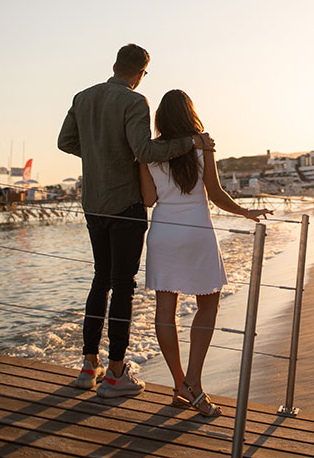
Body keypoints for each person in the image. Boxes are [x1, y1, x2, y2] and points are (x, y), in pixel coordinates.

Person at [57, 44, 214, 398]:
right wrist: (192, 141)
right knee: (123, 286)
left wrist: (99, 151)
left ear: (114, 65)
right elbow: (144, 151)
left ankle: (87, 366)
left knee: (100, 280)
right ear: (142, 73)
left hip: (93, 203)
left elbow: (65, 141)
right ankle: (115, 373)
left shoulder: (82, 97)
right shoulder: (134, 102)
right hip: (125, 204)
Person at [139, 89, 272, 416]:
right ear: (190, 114)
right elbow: (215, 193)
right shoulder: (202, 145)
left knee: (164, 309)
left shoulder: (149, 153)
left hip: (163, 233)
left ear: (160, 118)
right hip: (196, 232)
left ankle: (180, 383)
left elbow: (147, 200)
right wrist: (245, 212)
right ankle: (193, 383)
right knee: (208, 303)